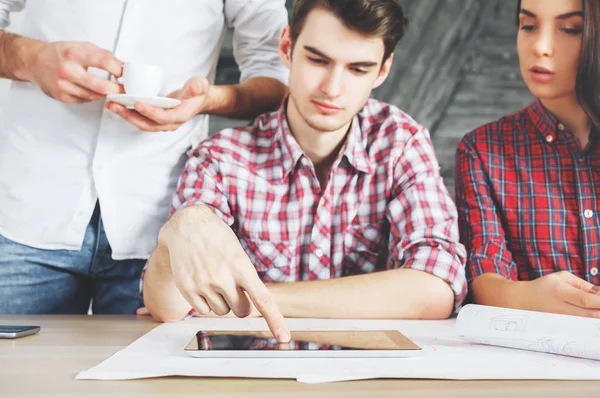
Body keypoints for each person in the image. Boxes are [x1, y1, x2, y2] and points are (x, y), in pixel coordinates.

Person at [143, 0, 467, 342]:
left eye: (358, 69)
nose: (332, 87)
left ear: (383, 71)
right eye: (318, 60)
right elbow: (170, 306)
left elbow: (435, 288)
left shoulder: (401, 142)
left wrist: (263, 298)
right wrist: (179, 231)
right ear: (287, 48)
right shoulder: (220, 159)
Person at [0, 1, 289, 314]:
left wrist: (208, 100)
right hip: (27, 210)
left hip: (160, 231)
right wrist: (28, 59)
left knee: (147, 364)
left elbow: (276, 77)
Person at [456, 0, 600, 318]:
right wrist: (528, 297)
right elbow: (483, 275)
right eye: (529, 25)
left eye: (569, 29)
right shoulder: (484, 151)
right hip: (535, 364)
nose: (541, 47)